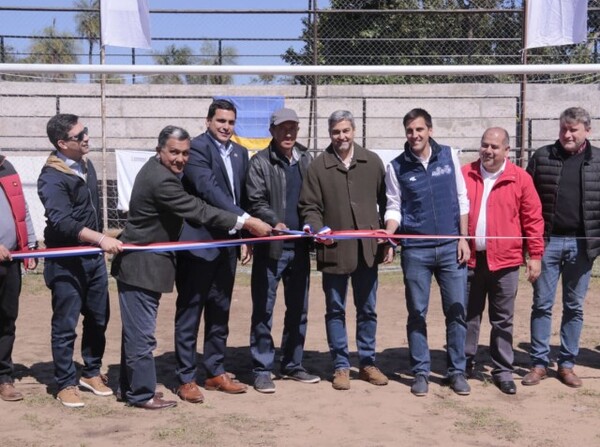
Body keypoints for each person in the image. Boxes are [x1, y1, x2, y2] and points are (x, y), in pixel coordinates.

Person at [112, 126, 271, 410]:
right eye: (174, 152)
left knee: (136, 333)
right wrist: (245, 222)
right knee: (142, 335)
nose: (180, 159)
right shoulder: (162, 180)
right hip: (141, 266)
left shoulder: (158, 170)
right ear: (159, 150)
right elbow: (198, 209)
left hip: (146, 265)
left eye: (185, 153)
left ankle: (131, 388)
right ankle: (141, 394)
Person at [299, 110, 389, 391]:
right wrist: (317, 228)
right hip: (334, 251)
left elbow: (387, 202)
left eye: (346, 131)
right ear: (330, 134)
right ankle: (340, 365)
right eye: (336, 132)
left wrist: (387, 240)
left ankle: (367, 363)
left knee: (368, 310)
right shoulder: (318, 166)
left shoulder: (372, 162)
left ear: (354, 131)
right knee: (335, 310)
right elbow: (309, 206)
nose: (342, 137)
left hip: (367, 252)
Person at [37, 113, 123, 408]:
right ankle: (65, 383)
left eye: (85, 131)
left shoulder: (85, 165)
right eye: (79, 135)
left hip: (92, 259)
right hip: (65, 260)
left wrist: (101, 238)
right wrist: (100, 238)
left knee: (99, 317)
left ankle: (91, 372)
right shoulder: (51, 177)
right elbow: (61, 221)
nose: (86, 137)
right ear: (62, 143)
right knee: (65, 324)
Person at [174, 99, 258, 400]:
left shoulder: (240, 152)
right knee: (190, 310)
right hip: (198, 242)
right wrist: (247, 221)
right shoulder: (196, 149)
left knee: (220, 309)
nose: (226, 127)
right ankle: (185, 377)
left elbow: (242, 194)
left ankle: (214, 371)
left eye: (231, 122)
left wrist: (243, 233)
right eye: (221, 121)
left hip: (228, 243)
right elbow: (210, 190)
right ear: (208, 121)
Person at [384, 108, 470, 397]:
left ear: (429, 130)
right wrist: (390, 229)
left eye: (419, 129)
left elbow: (462, 199)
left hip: (450, 247)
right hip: (416, 251)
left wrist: (463, 238)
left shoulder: (448, 155)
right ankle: (420, 371)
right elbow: (394, 205)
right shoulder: (396, 167)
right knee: (417, 313)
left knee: (456, 310)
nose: (414, 135)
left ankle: (456, 371)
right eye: (409, 130)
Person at [462, 127, 544, 395]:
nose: (488, 150)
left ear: (507, 150)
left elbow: (533, 219)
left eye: (495, 147)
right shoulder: (465, 174)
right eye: (484, 145)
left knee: (503, 319)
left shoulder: (520, 179)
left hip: (506, 261)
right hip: (471, 259)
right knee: (468, 315)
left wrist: (535, 255)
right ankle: (464, 363)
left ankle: (502, 369)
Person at [523, 107, 600, 388]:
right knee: (542, 305)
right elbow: (526, 201)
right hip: (547, 243)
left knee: (574, 307)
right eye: (563, 129)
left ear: (586, 132)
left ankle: (567, 364)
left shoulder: (598, 160)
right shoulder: (542, 157)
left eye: (573, 130)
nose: (567, 135)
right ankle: (539, 363)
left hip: (582, 246)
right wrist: (530, 248)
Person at [245, 108, 319, 393]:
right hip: (271, 248)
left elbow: (313, 199)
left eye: (292, 128)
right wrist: (272, 221)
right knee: (264, 309)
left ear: (298, 130)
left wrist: (314, 225)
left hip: (300, 248)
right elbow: (255, 200)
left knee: (298, 310)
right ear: (272, 131)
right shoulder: (260, 163)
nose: (288, 133)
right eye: (282, 128)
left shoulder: (306, 159)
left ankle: (292, 363)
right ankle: (262, 368)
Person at [0, 155, 37, 402]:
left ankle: (4, 377)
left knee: (6, 319)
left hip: (10, 260)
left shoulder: (7, 167)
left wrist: (30, 244)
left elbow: (20, 207)